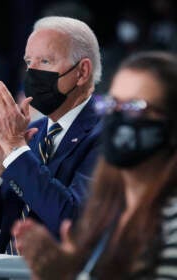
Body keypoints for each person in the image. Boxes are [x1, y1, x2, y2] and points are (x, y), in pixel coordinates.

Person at [13, 51, 177, 279]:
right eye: (112, 105)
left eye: (134, 107)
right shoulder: (111, 211)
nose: (117, 118)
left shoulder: (171, 222)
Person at [0, 16, 103, 254]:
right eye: (28, 61)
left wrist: (15, 148)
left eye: (45, 61)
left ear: (82, 72)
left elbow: (75, 223)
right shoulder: (32, 134)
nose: (32, 72)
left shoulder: (105, 135)